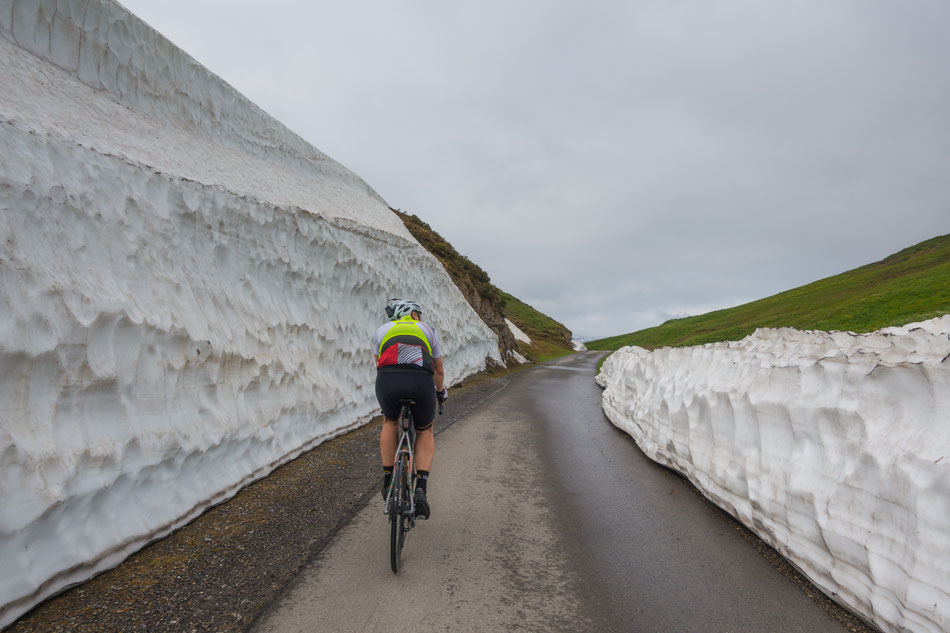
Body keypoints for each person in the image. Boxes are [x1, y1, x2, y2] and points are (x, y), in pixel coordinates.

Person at [372, 299, 447, 519]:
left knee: (390, 422)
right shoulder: (428, 331)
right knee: (424, 430)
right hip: (420, 382)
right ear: (413, 314)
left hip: (388, 381)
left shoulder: (382, 331)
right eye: (419, 315)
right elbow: (438, 371)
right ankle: (421, 488)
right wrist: (440, 393)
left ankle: (388, 480)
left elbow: (379, 364)